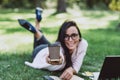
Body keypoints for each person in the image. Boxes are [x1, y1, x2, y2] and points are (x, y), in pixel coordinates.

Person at [18, 7, 88, 80]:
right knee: (49, 46)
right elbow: (58, 55)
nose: (70, 40)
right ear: (62, 38)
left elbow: (76, 67)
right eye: (66, 36)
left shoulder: (83, 43)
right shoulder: (59, 47)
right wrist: (56, 59)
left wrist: (71, 69)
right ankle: (36, 31)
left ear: (79, 36)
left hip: (49, 46)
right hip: (39, 51)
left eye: (74, 35)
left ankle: (37, 28)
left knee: (49, 44)